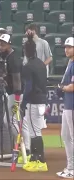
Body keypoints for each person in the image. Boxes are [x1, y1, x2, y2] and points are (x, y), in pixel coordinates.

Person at [20, 35, 48, 172]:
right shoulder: (41, 64)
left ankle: (39, 161)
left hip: (33, 102)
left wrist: (23, 103)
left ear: (25, 51)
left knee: (34, 132)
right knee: (37, 131)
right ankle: (35, 159)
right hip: (42, 101)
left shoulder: (28, 66)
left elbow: (28, 87)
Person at [0, 34, 23, 140]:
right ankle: (26, 149)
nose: (0, 47)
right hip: (13, 94)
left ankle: (19, 143)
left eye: (2, 45)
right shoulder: (8, 56)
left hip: (16, 95)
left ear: (9, 45)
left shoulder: (13, 59)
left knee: (9, 120)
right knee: (19, 121)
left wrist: (17, 101)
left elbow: (17, 80)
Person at [55, 37, 74, 179]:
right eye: (65, 47)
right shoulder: (70, 63)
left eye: (70, 47)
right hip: (68, 105)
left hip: (72, 105)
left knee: (72, 137)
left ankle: (72, 168)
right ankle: (70, 167)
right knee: (65, 136)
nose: (66, 49)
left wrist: (62, 88)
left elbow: (72, 87)